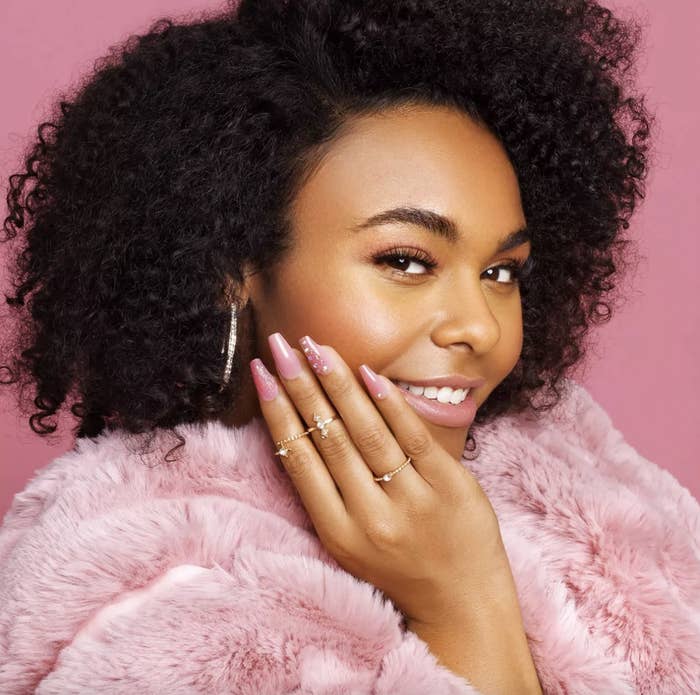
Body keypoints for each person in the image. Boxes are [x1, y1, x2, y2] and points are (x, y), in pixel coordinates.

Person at [0, 0, 698, 692]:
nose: (480, 327)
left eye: (501, 272)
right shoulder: (157, 612)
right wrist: (464, 603)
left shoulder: (588, 496)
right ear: (231, 270)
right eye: (406, 260)